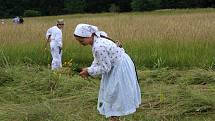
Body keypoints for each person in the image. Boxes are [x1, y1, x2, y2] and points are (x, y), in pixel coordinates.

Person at [73, 23, 141, 121]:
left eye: (81, 40)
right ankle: (114, 117)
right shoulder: (98, 38)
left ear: (89, 35)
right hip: (118, 64)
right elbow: (99, 60)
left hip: (119, 68)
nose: (80, 43)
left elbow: (105, 68)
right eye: (78, 41)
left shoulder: (98, 46)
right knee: (113, 92)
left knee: (114, 93)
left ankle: (114, 117)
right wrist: (90, 68)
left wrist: (89, 71)